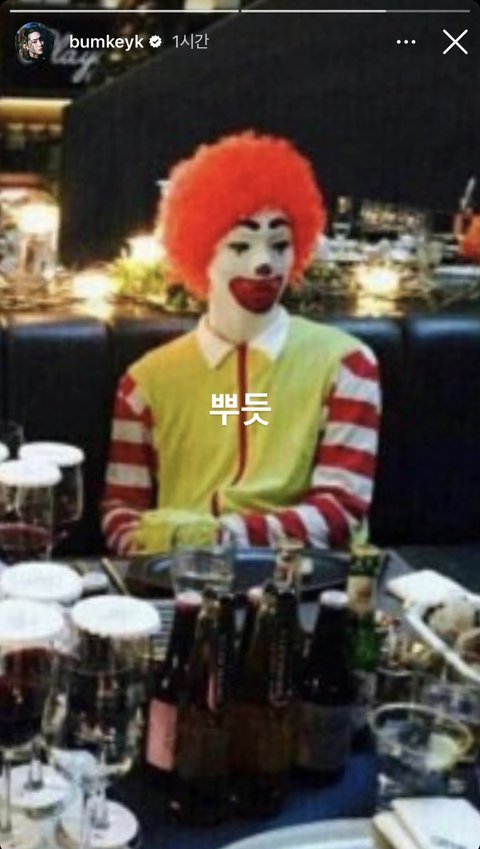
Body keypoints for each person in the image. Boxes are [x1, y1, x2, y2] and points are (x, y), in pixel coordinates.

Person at [102, 132, 381, 554]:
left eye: (280, 244)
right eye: (240, 245)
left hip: (304, 580)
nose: (265, 262)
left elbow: (341, 510)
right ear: (200, 251)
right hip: (182, 579)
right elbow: (121, 509)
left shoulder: (347, 365)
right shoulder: (146, 383)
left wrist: (215, 536)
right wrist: (146, 548)